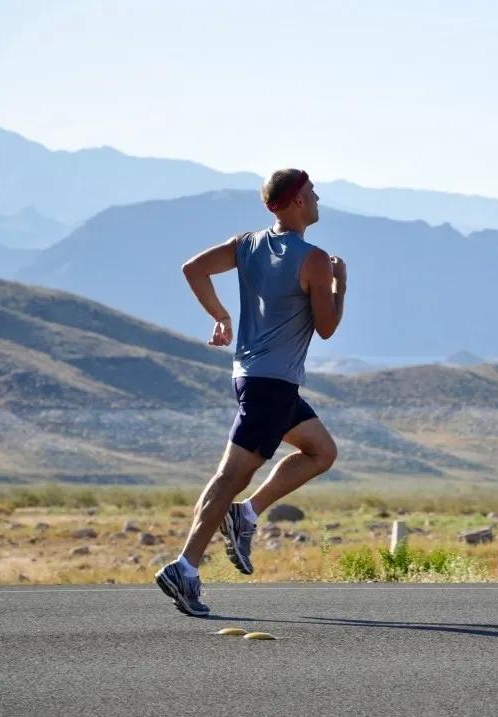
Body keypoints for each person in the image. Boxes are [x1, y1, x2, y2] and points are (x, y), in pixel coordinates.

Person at [155, 169, 346, 616]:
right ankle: (184, 567)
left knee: (321, 451)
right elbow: (327, 327)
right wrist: (340, 285)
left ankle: (246, 514)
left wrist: (221, 315)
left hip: (253, 377)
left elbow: (193, 269)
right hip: (273, 385)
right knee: (229, 477)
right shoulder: (315, 260)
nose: (318, 199)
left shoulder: (247, 244)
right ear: (297, 200)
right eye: (313, 193)